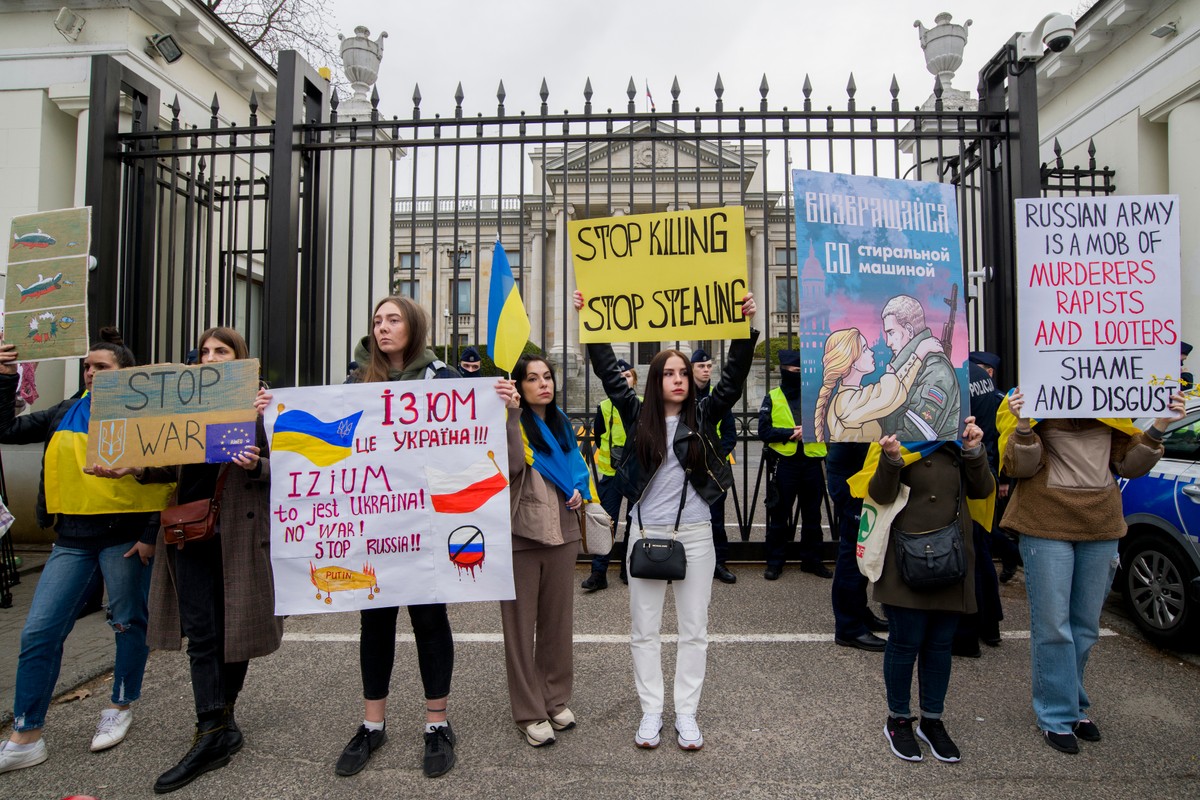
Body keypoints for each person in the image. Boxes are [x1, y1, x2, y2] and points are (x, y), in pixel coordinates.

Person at [94, 327, 282, 793]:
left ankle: (222, 723)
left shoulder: (264, 407)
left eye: (221, 351)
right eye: (204, 352)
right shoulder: (184, 404)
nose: (210, 358)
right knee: (202, 634)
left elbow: (292, 467)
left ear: (241, 358)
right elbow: (170, 461)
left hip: (239, 533)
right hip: (188, 533)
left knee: (235, 630)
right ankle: (211, 729)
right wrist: (135, 467)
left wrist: (257, 462)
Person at [574, 288, 758, 751]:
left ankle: (687, 713)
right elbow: (609, 375)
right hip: (644, 535)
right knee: (645, 631)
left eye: (683, 373)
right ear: (655, 380)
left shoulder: (705, 413)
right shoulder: (636, 415)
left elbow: (732, 382)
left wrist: (743, 329)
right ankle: (651, 711)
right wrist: (590, 325)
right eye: (669, 373)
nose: (678, 380)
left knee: (694, 630)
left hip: (695, 536)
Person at [0, 331, 174, 775]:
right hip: (72, 540)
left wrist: (150, 533)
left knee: (128, 622)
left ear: (126, 373)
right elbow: (6, 430)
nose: (91, 373)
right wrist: (3, 377)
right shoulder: (65, 411)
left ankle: (120, 705)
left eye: (102, 367)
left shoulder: (147, 415)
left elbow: (168, 474)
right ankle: (26, 733)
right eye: (87, 367)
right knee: (38, 632)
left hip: (125, 538)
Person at [999, 387, 1183, 755]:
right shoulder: (1026, 398)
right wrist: (1024, 424)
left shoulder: (1110, 399)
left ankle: (1073, 704)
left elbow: (1131, 467)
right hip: (1045, 525)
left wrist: (1161, 425)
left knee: (1084, 625)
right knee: (1053, 625)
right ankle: (1055, 714)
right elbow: (1020, 468)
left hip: (1101, 526)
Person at [333, 296, 460, 778]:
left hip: (426, 527)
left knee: (430, 620)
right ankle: (372, 724)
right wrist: (273, 414)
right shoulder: (354, 384)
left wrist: (504, 407)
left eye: (393, 319)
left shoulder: (443, 380)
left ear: (414, 327)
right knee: (375, 622)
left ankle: (437, 723)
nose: (382, 328)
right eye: (377, 321)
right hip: (375, 525)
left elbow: (469, 437)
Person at [865, 419, 994, 763]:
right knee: (905, 642)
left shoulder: (959, 440)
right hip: (906, 559)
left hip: (950, 558)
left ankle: (932, 720)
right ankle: (898, 719)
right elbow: (879, 494)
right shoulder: (896, 432)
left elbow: (983, 490)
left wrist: (974, 451)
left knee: (940, 645)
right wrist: (891, 458)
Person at [500, 354, 589, 746]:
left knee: (557, 623)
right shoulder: (510, 421)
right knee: (520, 628)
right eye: (533, 378)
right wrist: (511, 416)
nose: (544, 384)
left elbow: (577, 468)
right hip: (521, 534)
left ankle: (554, 698)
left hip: (563, 532)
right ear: (519, 386)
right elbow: (511, 468)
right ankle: (529, 711)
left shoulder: (562, 422)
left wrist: (580, 490)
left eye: (547, 377)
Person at [758, 349, 830, 580]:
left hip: (812, 462)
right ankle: (775, 562)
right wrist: (790, 433)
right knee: (779, 515)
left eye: (799, 370)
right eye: (792, 370)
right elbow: (764, 431)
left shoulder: (816, 396)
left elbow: (831, 425)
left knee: (813, 516)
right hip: (785, 463)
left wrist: (808, 430)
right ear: (783, 371)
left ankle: (812, 560)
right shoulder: (773, 396)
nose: (796, 374)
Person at [951, 360, 1007, 658]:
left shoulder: (953, 370)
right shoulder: (976, 372)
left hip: (963, 476)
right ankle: (990, 624)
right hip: (983, 469)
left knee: (964, 557)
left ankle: (966, 635)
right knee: (980, 551)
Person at [813, 328, 941, 444]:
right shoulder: (846, 402)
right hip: (853, 461)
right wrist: (918, 354)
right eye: (864, 349)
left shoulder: (853, 396)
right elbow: (888, 397)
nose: (871, 352)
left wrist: (917, 357)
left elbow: (897, 391)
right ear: (852, 362)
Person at [581, 358, 638, 592]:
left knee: (635, 522)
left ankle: (629, 568)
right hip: (611, 473)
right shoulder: (604, 406)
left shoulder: (642, 404)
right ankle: (599, 572)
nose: (624, 380)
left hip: (636, 474)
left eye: (628, 376)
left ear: (635, 380)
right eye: (620, 377)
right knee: (606, 523)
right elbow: (599, 434)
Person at [828, 442, 888, 652]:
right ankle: (849, 627)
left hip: (857, 472)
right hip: (853, 478)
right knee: (853, 556)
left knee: (860, 553)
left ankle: (859, 614)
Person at [967, 351, 1021, 584]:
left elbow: (1001, 437)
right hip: (982, 464)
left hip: (982, 464)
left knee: (980, 533)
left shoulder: (1002, 399)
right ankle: (1010, 554)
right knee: (981, 532)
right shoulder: (990, 390)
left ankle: (1011, 553)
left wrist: (1005, 478)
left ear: (989, 371)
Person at [879, 295, 960, 441]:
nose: (888, 342)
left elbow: (916, 433)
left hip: (926, 455)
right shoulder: (903, 366)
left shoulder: (937, 370)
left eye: (891, 333)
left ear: (909, 331)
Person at [691, 348, 738, 584]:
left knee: (716, 520)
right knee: (687, 519)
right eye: (701, 366)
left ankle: (719, 563)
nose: (706, 370)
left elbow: (730, 435)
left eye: (709, 366)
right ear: (691, 369)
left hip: (714, 471)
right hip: (688, 469)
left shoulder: (718, 399)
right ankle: (686, 562)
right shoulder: (683, 397)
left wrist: (715, 457)